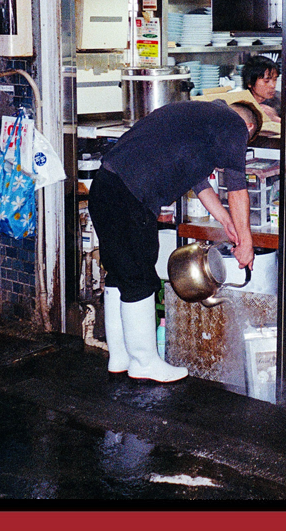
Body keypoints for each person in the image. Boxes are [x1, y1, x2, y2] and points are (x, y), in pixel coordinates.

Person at [88, 99, 262, 382]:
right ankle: (144, 362)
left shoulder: (198, 116)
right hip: (132, 197)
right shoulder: (234, 125)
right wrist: (246, 243)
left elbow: (199, 182)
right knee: (140, 278)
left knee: (120, 275)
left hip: (105, 187)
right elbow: (237, 189)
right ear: (249, 128)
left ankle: (120, 357)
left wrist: (226, 221)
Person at [241, 55, 282, 123]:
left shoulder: (282, 101)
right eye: (266, 81)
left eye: (275, 79)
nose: (273, 85)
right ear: (250, 82)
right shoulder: (241, 104)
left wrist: (275, 119)